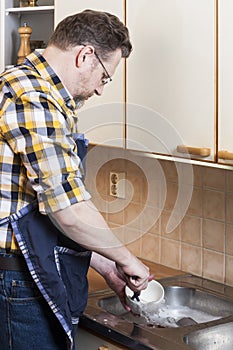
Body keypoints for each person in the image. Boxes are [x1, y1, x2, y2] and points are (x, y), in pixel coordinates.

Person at [0, 9, 151, 350]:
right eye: (105, 76)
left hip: (24, 270)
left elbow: (37, 208)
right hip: (19, 281)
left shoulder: (26, 87)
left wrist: (104, 263)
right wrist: (128, 260)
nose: (100, 90)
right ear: (85, 55)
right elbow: (67, 208)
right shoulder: (35, 98)